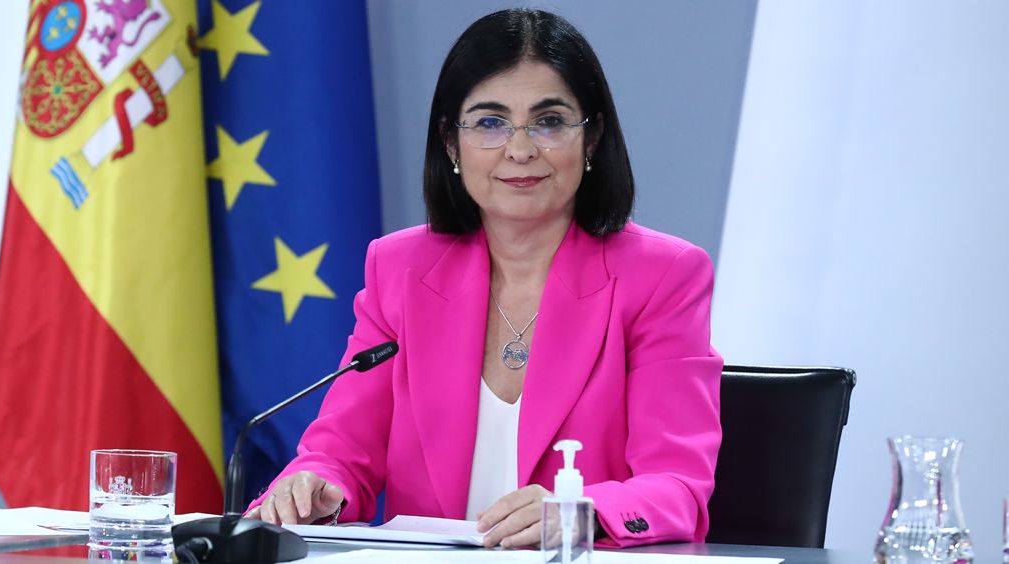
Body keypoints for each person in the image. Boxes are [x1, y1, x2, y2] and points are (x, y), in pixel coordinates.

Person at [245, 8, 722, 549]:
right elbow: (340, 453)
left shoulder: (662, 276)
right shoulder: (399, 269)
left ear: (591, 140)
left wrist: (582, 513)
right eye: (490, 123)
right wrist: (315, 485)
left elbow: (678, 486)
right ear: (452, 144)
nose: (520, 150)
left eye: (549, 121)